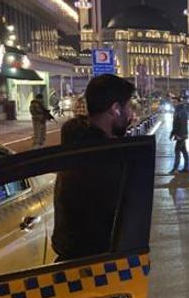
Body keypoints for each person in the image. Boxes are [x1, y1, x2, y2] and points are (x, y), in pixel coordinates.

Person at [52, 74, 136, 261]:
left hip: (69, 262)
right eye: (128, 107)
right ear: (115, 109)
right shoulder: (103, 161)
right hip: (96, 268)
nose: (131, 114)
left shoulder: (77, 145)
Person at [169, 97, 189, 173]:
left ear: (179, 102)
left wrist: (180, 136)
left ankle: (175, 168)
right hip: (180, 135)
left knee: (177, 150)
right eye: (172, 102)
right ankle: (186, 168)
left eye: (175, 102)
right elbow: (175, 124)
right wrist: (172, 133)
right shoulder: (177, 110)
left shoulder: (181, 111)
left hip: (181, 135)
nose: (173, 103)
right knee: (184, 151)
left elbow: (183, 124)